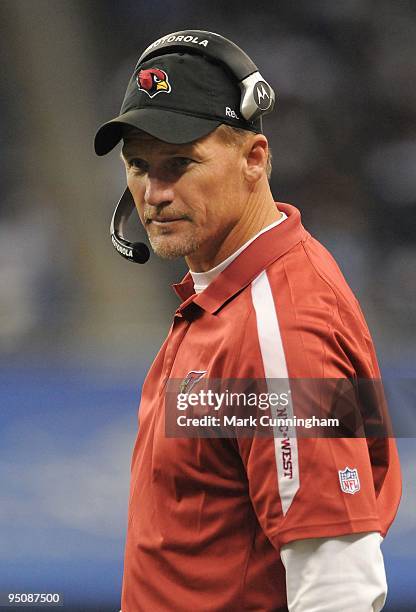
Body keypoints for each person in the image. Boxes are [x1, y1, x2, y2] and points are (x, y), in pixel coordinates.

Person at [94, 31, 401, 612]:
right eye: (139, 166)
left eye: (180, 163)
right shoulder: (230, 296)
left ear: (254, 158)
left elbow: (341, 588)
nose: (153, 194)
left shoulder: (280, 325)